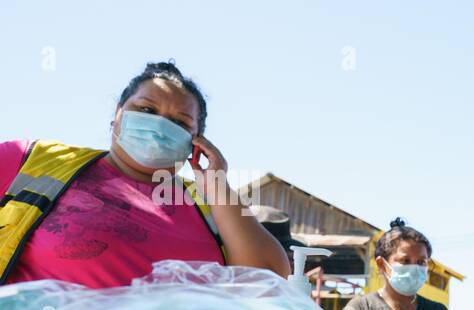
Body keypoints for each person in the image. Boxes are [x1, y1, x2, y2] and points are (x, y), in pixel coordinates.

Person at [0, 61, 289, 286]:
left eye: (179, 121)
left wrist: (216, 181)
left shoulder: (210, 204)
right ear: (118, 112)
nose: (159, 125)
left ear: (196, 141)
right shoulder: (32, 158)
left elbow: (269, 280)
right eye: (146, 109)